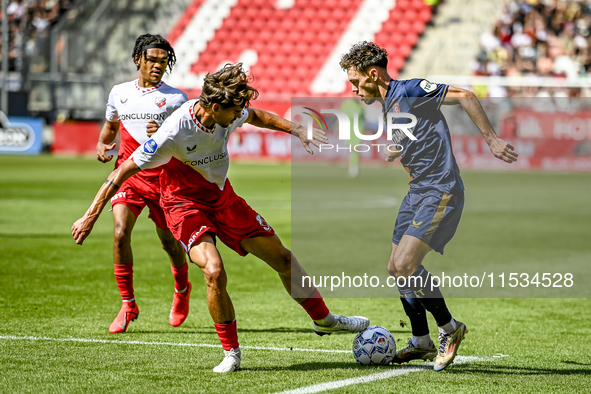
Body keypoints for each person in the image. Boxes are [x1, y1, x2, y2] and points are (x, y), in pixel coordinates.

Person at [73, 63, 370, 373]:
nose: (238, 116)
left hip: (223, 199)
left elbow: (256, 115)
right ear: (214, 107)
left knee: (282, 259)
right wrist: (89, 217)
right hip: (183, 205)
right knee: (214, 270)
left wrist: (296, 128)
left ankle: (326, 321)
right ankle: (231, 353)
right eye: (234, 111)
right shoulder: (174, 130)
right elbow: (122, 171)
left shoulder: (230, 111)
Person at [339, 41, 518, 371]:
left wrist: (491, 139)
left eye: (354, 82)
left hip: (441, 190)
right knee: (396, 268)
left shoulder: (410, 90)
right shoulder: (389, 105)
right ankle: (421, 340)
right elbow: (415, 134)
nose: (352, 89)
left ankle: (450, 329)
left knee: (406, 264)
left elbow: (465, 96)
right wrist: (397, 147)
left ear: (372, 74)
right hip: (417, 192)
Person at [96, 34, 191, 334]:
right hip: (130, 175)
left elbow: (187, 144)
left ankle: (182, 287)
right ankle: (128, 304)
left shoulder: (176, 99)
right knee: (120, 231)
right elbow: (111, 126)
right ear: (138, 59)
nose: (158, 66)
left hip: (163, 180)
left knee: (169, 243)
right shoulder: (119, 92)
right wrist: (102, 143)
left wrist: (163, 132)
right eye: (152, 60)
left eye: (164, 61)